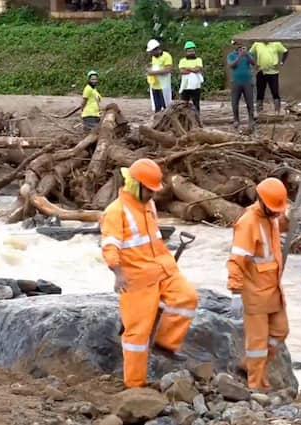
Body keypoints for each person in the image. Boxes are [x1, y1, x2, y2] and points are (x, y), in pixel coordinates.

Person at [100, 159, 198, 388]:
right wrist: (118, 272)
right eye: (150, 190)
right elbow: (110, 245)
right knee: (137, 335)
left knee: (187, 298)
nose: (153, 195)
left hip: (164, 269)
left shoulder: (148, 206)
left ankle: (165, 344)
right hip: (137, 279)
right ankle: (135, 385)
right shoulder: (115, 211)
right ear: (136, 185)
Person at [227, 177, 289, 390]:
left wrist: (290, 218)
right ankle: (255, 386)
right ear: (261, 201)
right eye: (274, 210)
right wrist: (235, 292)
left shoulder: (271, 216)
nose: (276, 213)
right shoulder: (248, 223)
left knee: (280, 332)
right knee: (257, 344)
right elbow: (237, 259)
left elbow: (278, 226)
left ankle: (249, 367)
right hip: (253, 293)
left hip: (273, 290)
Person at [249, 41, 288, 114]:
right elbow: (249, 54)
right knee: (260, 92)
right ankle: (259, 111)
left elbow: (286, 52)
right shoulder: (257, 44)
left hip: (273, 72)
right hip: (261, 72)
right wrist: (254, 63)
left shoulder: (276, 43)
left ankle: (277, 110)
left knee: (275, 91)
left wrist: (282, 62)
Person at [227, 40, 257, 132]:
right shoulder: (231, 55)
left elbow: (253, 63)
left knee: (250, 101)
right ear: (234, 46)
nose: (239, 46)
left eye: (240, 44)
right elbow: (232, 65)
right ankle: (236, 119)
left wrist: (246, 54)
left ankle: (251, 120)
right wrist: (239, 56)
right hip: (236, 81)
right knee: (235, 101)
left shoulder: (248, 54)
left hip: (247, 81)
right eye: (237, 45)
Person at [146, 40, 173, 113]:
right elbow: (156, 68)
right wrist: (150, 71)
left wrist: (153, 72)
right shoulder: (154, 58)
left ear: (156, 49)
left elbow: (168, 69)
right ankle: (158, 122)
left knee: (165, 107)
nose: (151, 54)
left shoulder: (166, 56)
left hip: (163, 87)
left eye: (152, 52)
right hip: (155, 85)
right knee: (157, 107)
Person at [178, 41, 204, 113]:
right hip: (185, 86)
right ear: (186, 52)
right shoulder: (182, 60)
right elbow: (181, 71)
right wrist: (193, 69)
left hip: (196, 86)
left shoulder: (198, 60)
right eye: (189, 51)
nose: (191, 53)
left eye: (192, 51)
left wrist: (187, 68)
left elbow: (198, 69)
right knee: (184, 103)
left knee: (196, 103)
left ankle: (197, 118)